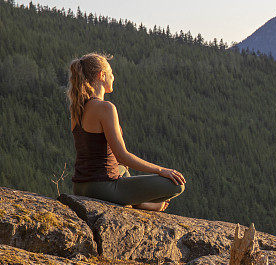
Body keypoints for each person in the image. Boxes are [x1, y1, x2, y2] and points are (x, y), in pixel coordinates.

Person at [66, 52, 186, 211]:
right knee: (176, 185)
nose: (113, 77)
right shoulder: (105, 108)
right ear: (102, 75)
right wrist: (161, 170)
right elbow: (122, 155)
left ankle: (138, 202)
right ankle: (140, 203)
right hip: (101, 188)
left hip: (80, 186)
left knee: (122, 169)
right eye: (111, 73)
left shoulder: (78, 109)